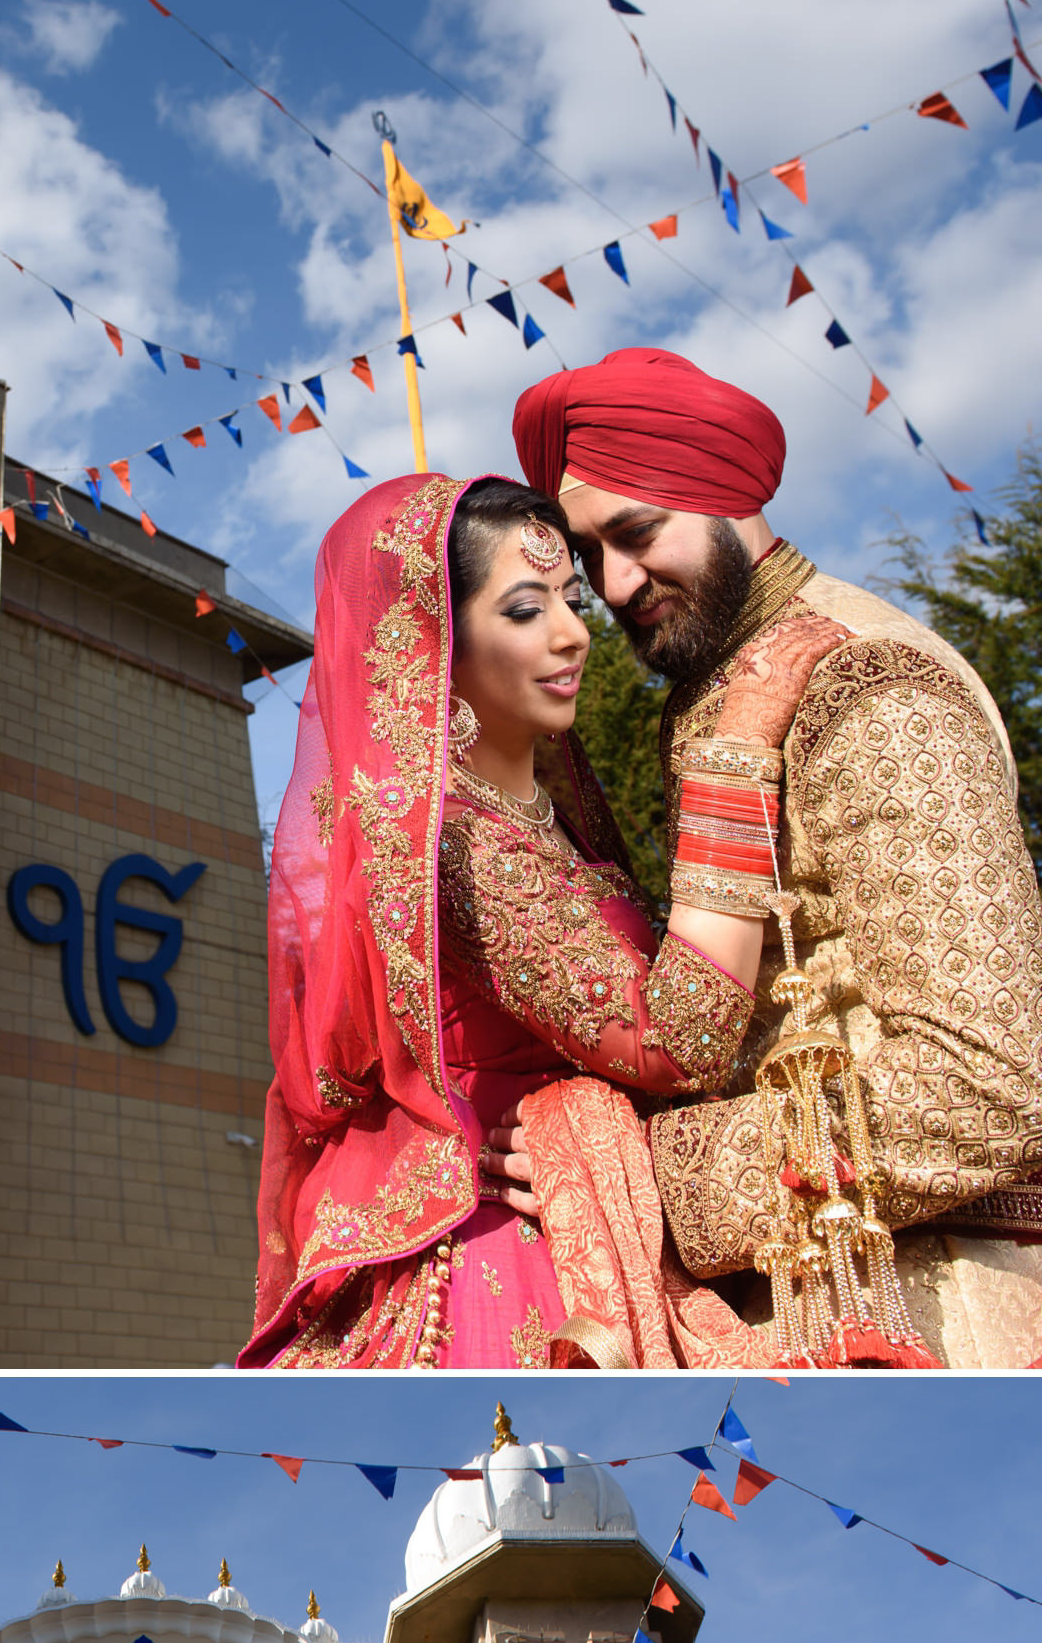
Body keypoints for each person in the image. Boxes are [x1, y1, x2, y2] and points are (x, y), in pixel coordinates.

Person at [508, 334, 1042, 1366]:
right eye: (590, 559)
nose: (619, 581)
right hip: (836, 1283)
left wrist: (641, 1174)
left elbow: (990, 1085)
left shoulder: (863, 684)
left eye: (635, 535)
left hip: (946, 1298)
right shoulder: (731, 689)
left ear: (721, 489)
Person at [241, 459, 794, 1378]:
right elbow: (679, 1042)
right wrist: (734, 769)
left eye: (572, 600)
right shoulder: (449, 846)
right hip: (506, 1258)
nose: (577, 635)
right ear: (433, 644)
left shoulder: (549, 825)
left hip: (590, 1211)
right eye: (526, 610)